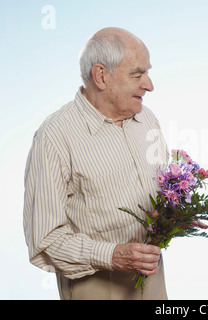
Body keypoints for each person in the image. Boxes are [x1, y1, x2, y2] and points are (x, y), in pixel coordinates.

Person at [23, 27, 172, 299]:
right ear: (101, 76)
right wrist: (111, 256)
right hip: (97, 289)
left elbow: (161, 191)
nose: (150, 85)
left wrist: (176, 214)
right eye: (137, 75)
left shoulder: (147, 119)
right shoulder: (54, 137)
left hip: (153, 283)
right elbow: (44, 240)